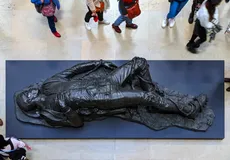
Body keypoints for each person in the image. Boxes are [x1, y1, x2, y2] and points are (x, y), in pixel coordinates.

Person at [15, 57, 212, 132]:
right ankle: (189, 111)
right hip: (104, 99)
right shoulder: (49, 113)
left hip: (104, 82)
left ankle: (154, 96)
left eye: (27, 91)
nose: (30, 90)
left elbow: (72, 71)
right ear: (30, 102)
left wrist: (96, 63)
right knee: (146, 98)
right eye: (27, 95)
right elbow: (77, 124)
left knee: (139, 62)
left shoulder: (48, 85)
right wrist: (66, 109)